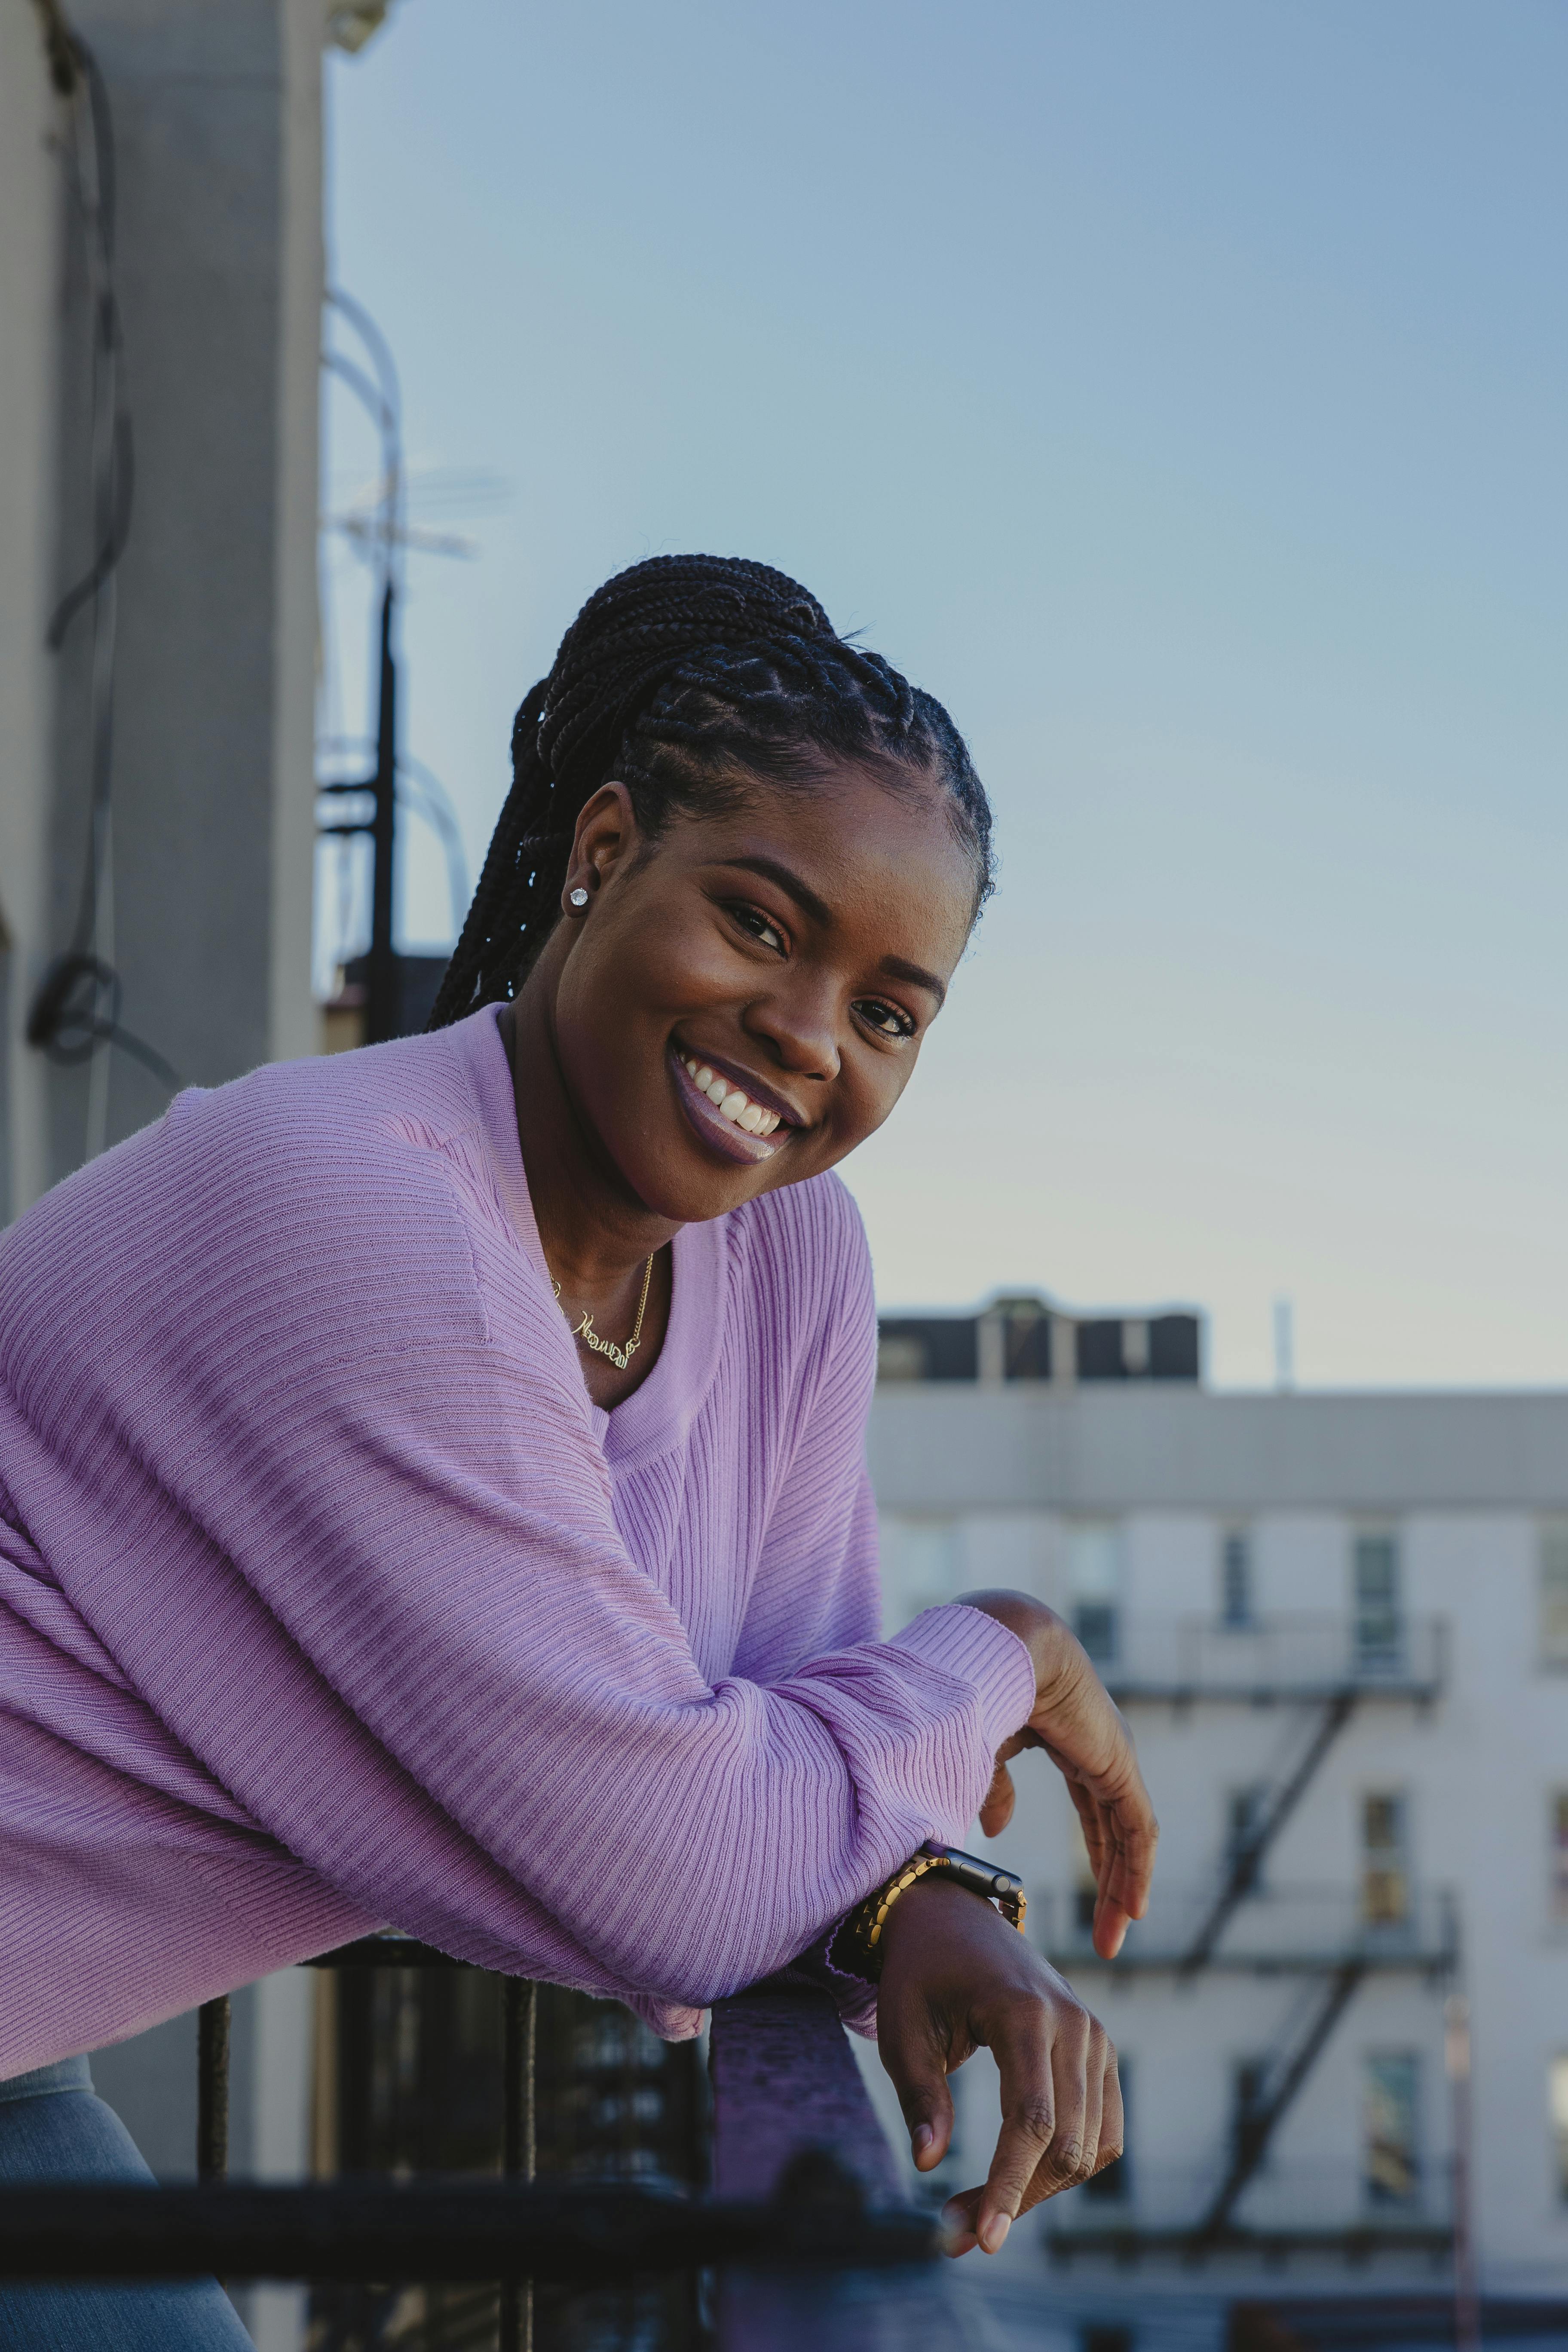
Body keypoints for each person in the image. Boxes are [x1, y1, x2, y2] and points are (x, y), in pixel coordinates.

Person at [0, 554, 1156, 2344]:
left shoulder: (785, 1259)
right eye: (764, 925)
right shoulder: (357, 1212)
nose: (804, 1038)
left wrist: (930, 1887)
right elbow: (691, 1876)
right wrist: (1012, 1652)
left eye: (887, 1010)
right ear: (605, 851)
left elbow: (801, 1741)